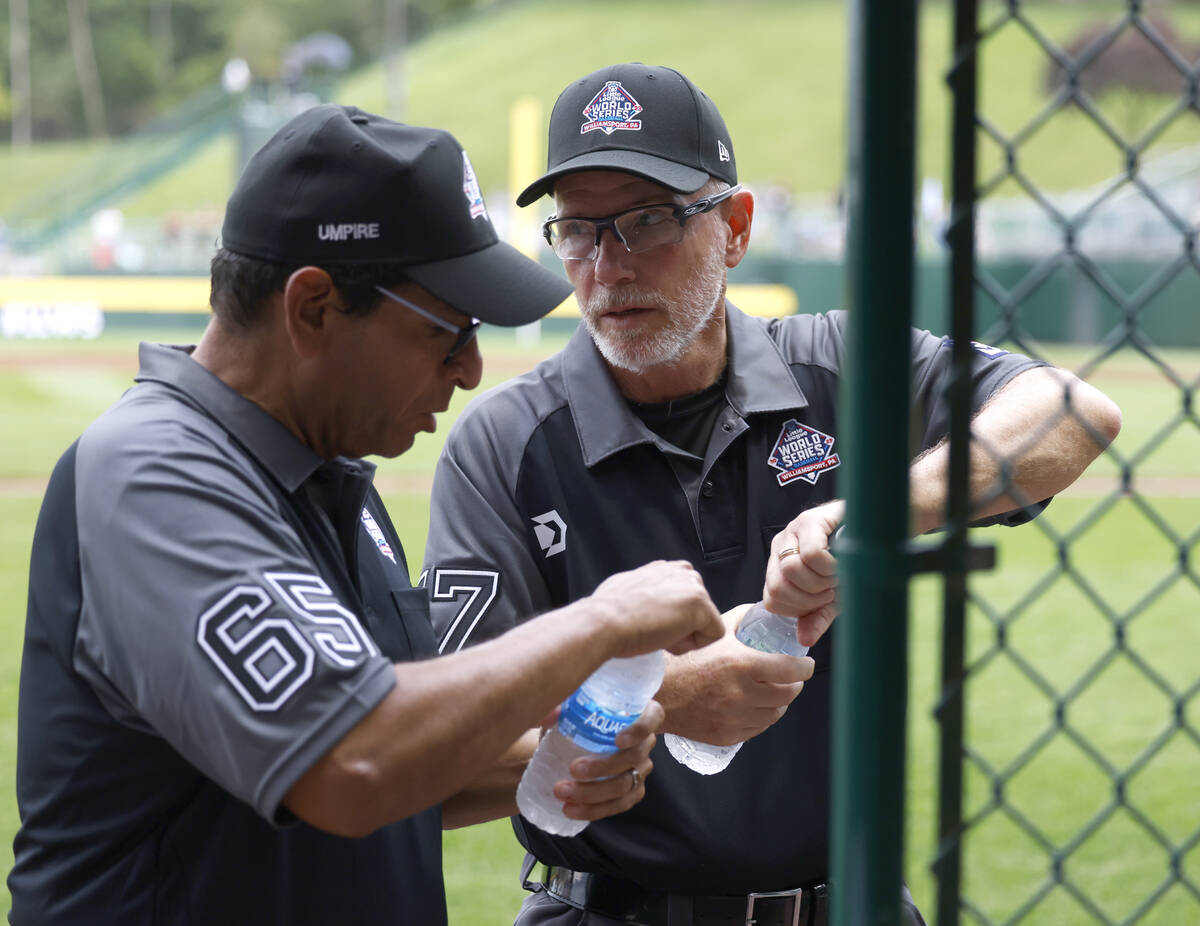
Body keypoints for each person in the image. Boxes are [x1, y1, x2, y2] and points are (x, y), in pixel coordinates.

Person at [421, 63, 1124, 926]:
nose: (608, 266)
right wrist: (662, 701)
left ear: (737, 227)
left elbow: (1075, 413)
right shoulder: (505, 446)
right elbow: (446, 757)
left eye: (648, 220)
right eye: (578, 230)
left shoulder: (840, 367)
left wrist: (866, 515)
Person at [7, 104, 725, 926]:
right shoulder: (155, 474)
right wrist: (600, 625)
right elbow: (351, 763)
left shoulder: (330, 474)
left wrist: (553, 763)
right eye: (450, 329)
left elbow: (393, 756)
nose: (470, 370)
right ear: (312, 308)